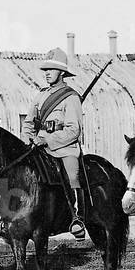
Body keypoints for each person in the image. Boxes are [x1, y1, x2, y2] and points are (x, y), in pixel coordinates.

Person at [23, 47, 87, 239]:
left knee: (72, 173)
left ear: (62, 72)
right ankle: (10, 217)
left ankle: (77, 218)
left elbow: (73, 130)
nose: (47, 74)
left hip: (63, 148)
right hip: (38, 147)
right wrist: (29, 140)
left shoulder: (71, 97)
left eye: (51, 70)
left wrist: (47, 140)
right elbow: (29, 122)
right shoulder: (40, 95)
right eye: (45, 70)